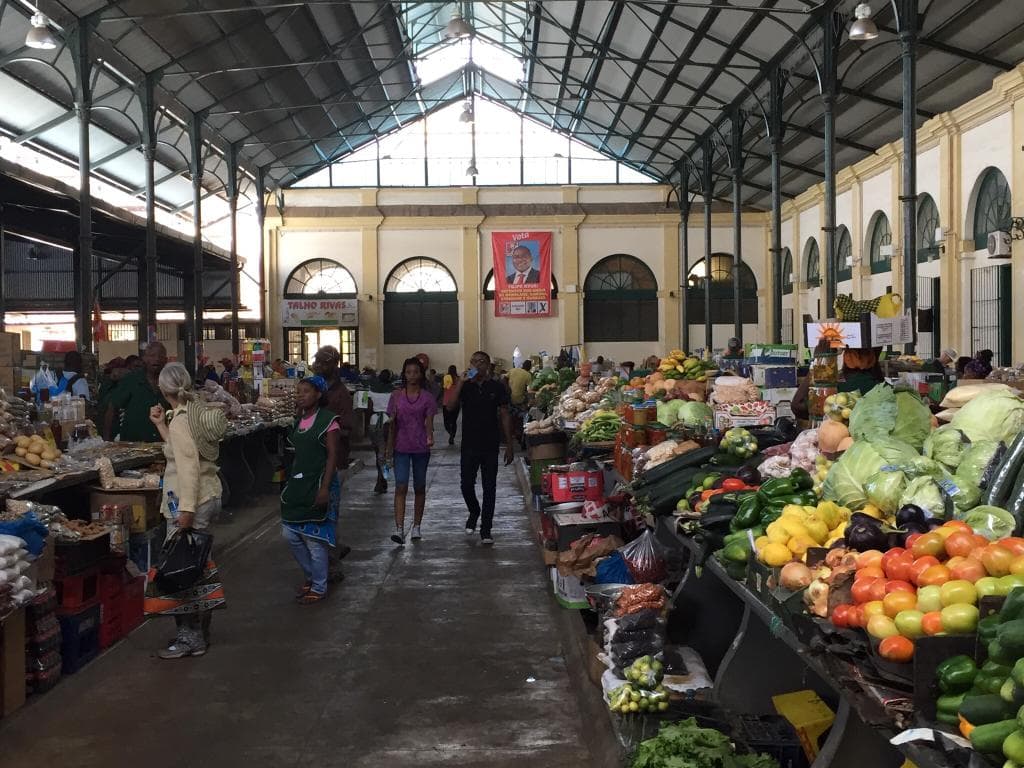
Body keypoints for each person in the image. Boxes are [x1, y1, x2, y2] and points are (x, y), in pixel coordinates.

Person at [147, 362, 228, 659]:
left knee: (180, 572)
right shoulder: (190, 412)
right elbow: (183, 451)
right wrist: (160, 425)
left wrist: (187, 510)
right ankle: (200, 634)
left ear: (163, 388)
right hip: (209, 494)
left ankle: (188, 637)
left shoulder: (182, 421)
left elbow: (188, 467)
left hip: (191, 500)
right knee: (198, 568)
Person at [281, 376, 341, 604]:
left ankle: (319, 586)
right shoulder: (299, 421)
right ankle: (311, 575)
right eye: (298, 392)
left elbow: (332, 456)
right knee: (290, 533)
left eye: (306, 391)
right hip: (299, 484)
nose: (300, 395)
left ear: (318, 394)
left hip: (320, 483)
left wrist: (325, 488)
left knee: (315, 540)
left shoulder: (328, 421)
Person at [446, 350, 515, 546]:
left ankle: (486, 528)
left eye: (482, 362)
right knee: (466, 485)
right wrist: (460, 382)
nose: (478, 365)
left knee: (489, 487)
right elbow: (450, 407)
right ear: (470, 364)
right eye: (474, 362)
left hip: (490, 444)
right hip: (469, 444)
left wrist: (509, 445)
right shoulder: (465, 387)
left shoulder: (496, 387)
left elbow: (504, 415)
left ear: (488, 366)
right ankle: (474, 511)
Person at [384, 358, 437, 545]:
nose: (412, 375)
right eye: (408, 372)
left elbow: (429, 420)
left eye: (416, 372)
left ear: (421, 374)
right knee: (401, 486)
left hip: (421, 447)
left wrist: (429, 436)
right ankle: (399, 528)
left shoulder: (427, 398)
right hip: (401, 447)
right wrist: (388, 449)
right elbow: (392, 424)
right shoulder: (396, 396)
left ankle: (416, 526)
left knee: (420, 486)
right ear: (404, 374)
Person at [312, 346, 354, 567]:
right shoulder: (316, 390)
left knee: (329, 510)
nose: (318, 365)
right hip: (316, 460)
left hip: (335, 461)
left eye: (323, 362)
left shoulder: (341, 394)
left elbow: (348, 429)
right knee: (320, 512)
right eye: (317, 361)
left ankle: (331, 561)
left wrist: (327, 430)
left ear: (334, 364)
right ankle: (333, 547)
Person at [104, 341, 168, 442]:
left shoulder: (171, 381)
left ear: (166, 360)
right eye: (152, 355)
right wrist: (107, 439)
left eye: (160, 356)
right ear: (144, 359)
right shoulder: (131, 380)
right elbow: (113, 407)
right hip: (133, 444)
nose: (156, 359)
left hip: (163, 442)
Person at [367, 369, 394, 495]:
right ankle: (383, 479)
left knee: (378, 452)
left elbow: (369, 407)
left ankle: (381, 479)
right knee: (385, 454)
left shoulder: (371, 390)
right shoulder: (393, 391)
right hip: (387, 423)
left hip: (374, 422)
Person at [442, 364, 460, 445]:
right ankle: (452, 435)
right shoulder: (459, 379)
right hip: (456, 402)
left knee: (446, 421)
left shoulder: (446, 378)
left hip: (446, 402)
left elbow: (444, 388)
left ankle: (451, 434)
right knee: (454, 421)